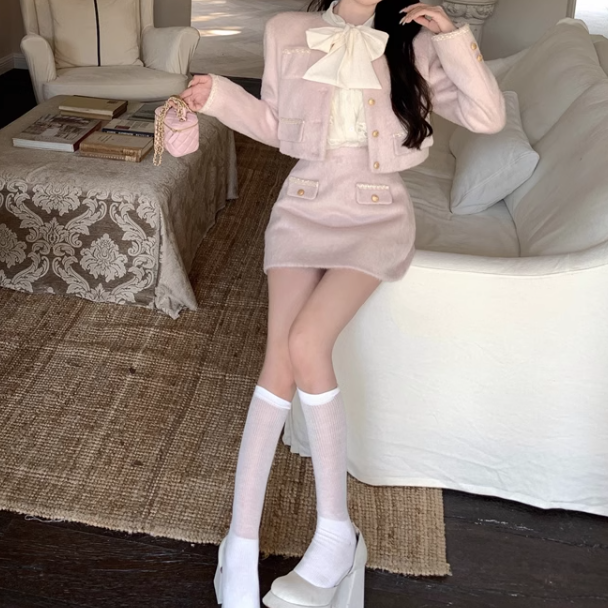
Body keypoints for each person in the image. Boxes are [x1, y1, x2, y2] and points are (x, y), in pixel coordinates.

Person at [180, 1, 505, 606]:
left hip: (377, 213)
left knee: (307, 341)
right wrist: (218, 95)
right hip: (304, 203)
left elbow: (487, 116)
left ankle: (335, 533)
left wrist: (453, 36)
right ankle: (240, 545)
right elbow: (277, 124)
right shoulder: (286, 30)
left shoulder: (416, 44)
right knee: (278, 361)